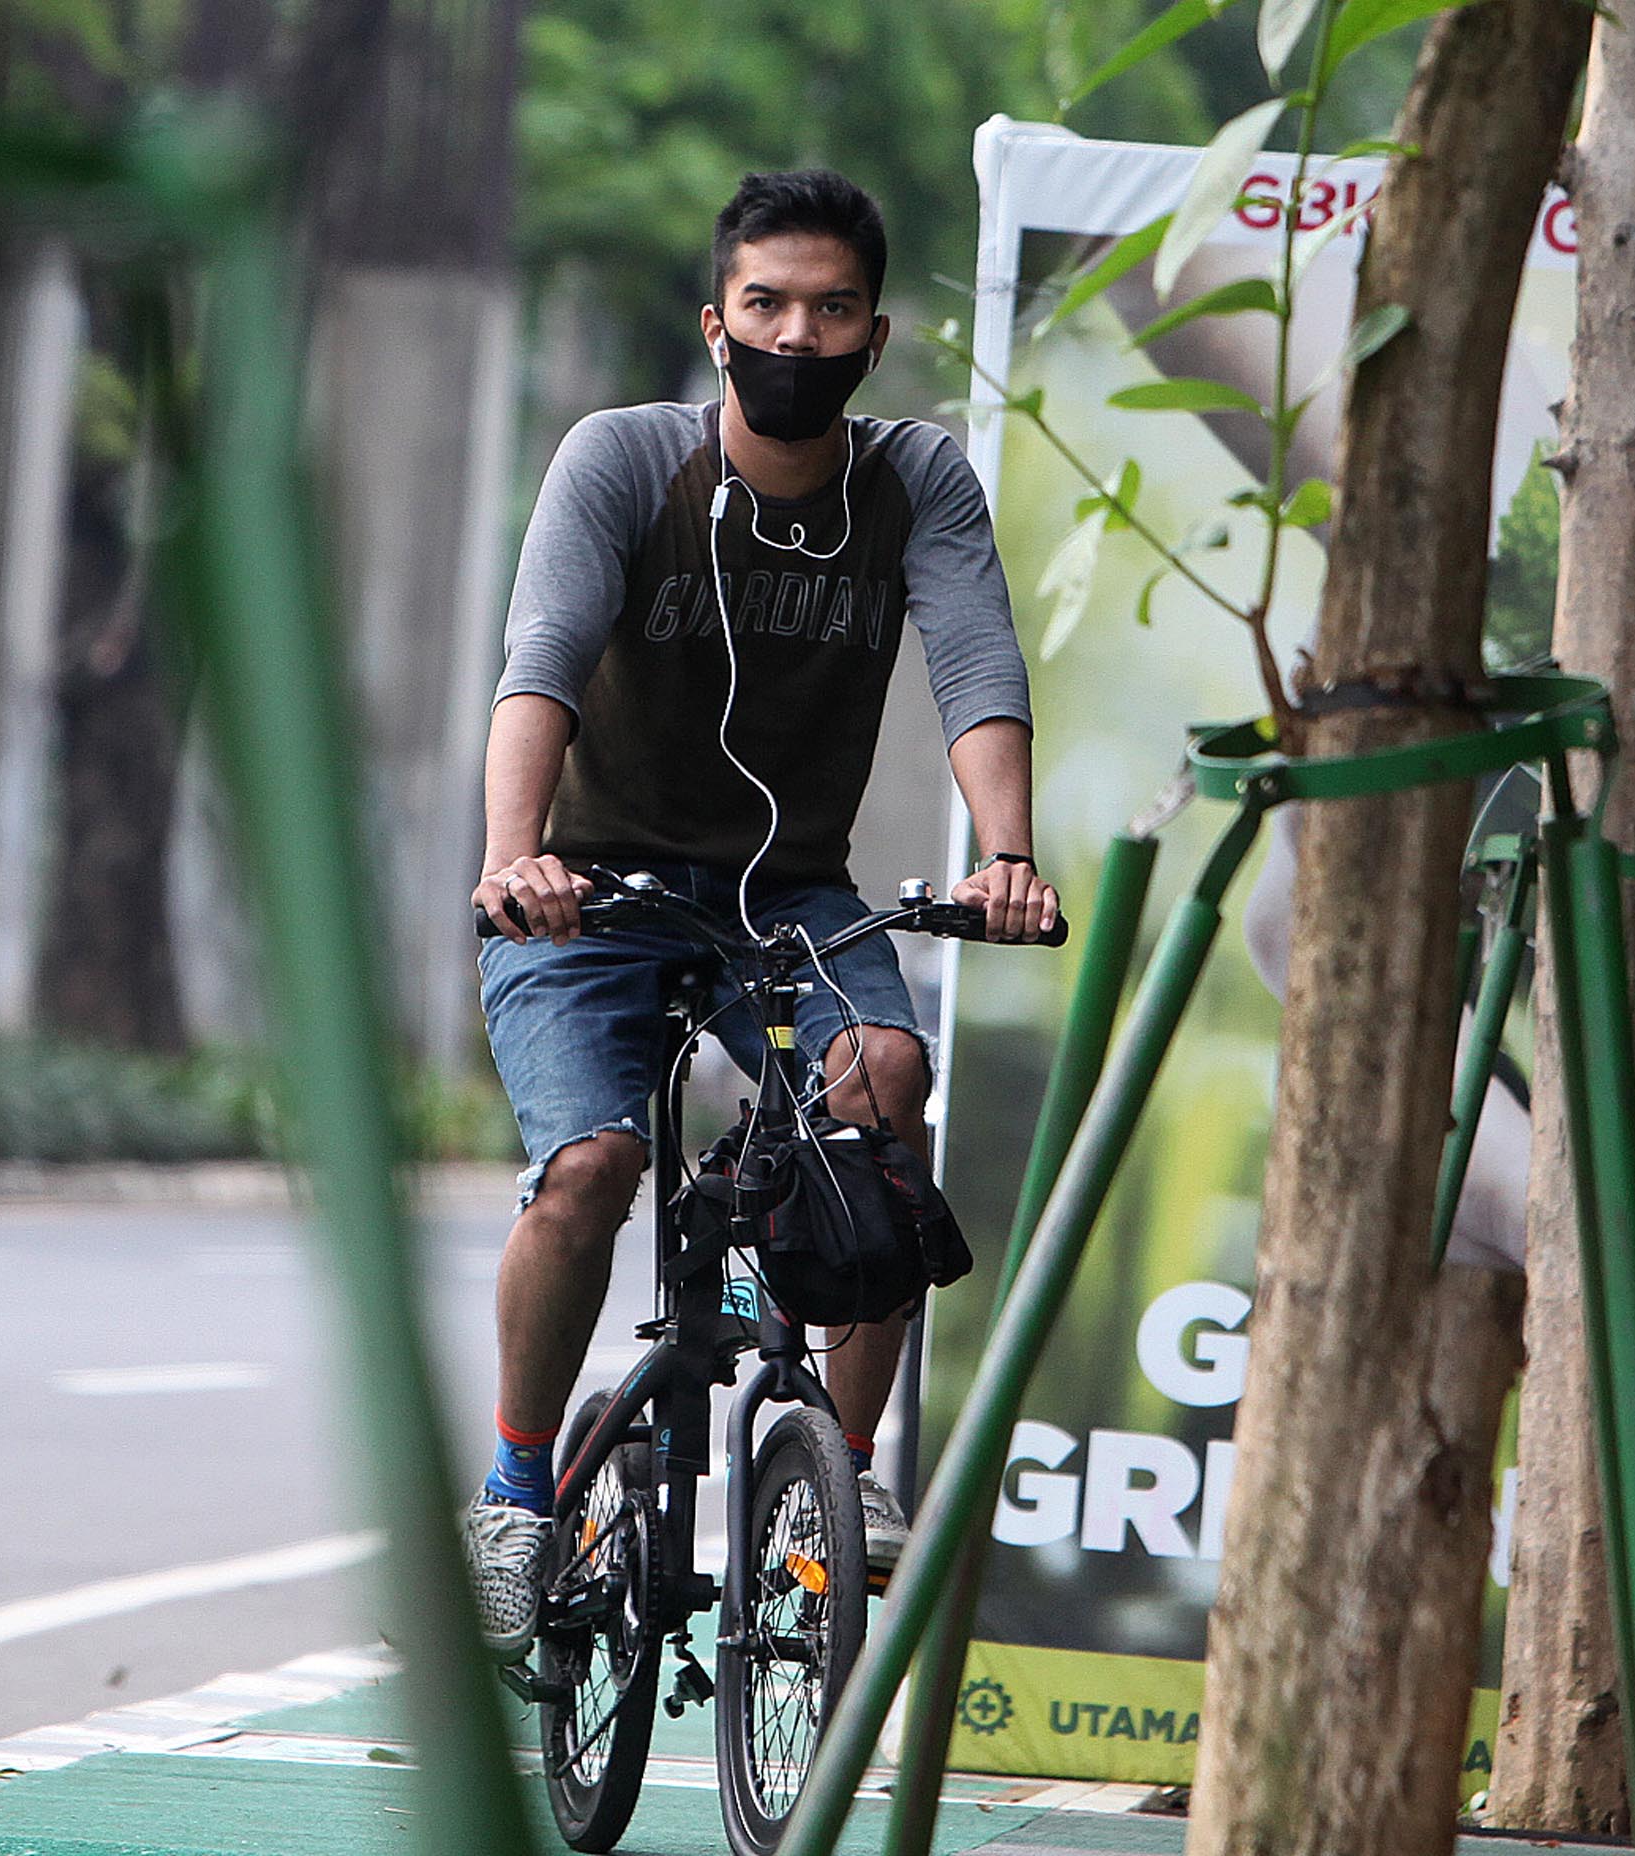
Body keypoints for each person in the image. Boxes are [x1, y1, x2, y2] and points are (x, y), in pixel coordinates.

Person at [462, 168, 1059, 1661]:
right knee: (590, 1168)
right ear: (716, 322)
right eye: (768, 304)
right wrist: (515, 858)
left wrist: (1007, 853)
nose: (799, 335)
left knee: (884, 1089)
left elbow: (976, 661)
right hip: (590, 890)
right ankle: (518, 1492)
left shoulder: (912, 479)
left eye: (833, 309)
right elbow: (542, 657)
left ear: (875, 333)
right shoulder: (624, 459)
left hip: (786, 897)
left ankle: (837, 1485)